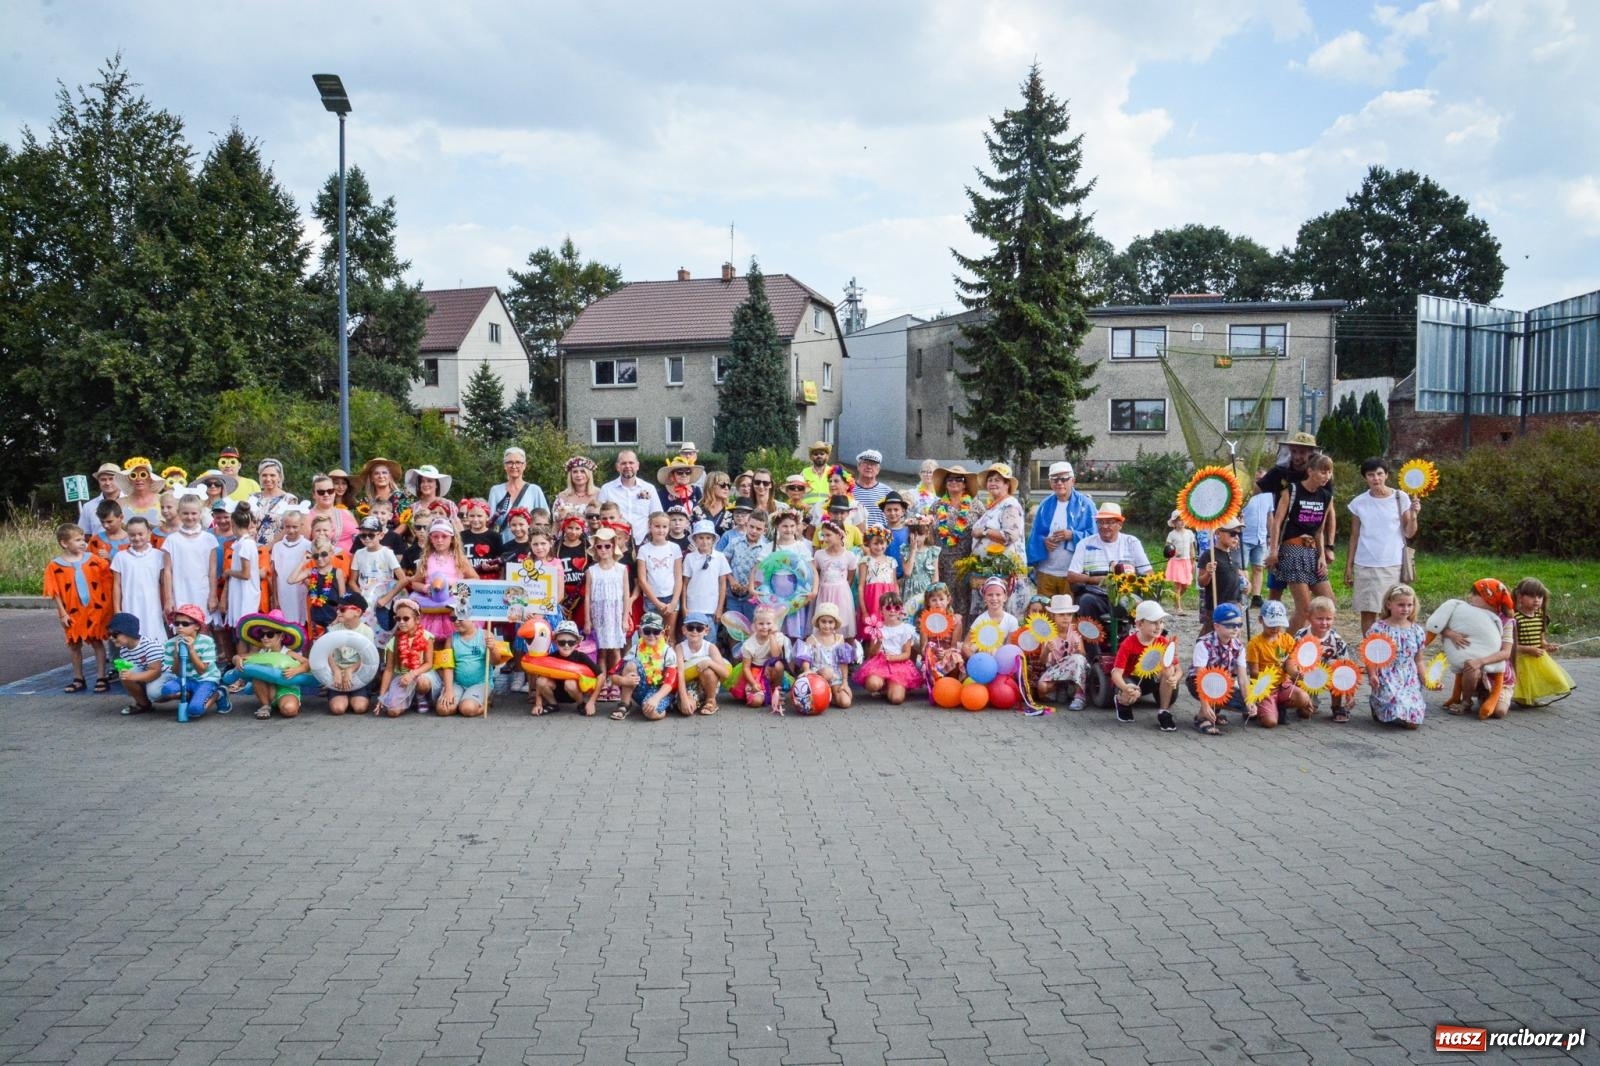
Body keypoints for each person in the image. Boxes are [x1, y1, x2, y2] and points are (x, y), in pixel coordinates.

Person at [1345, 458, 1420, 634]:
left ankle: (1391, 648)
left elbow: (1409, 532)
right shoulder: (1359, 502)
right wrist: (1348, 566)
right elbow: (1354, 536)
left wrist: (1415, 514)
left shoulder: (1400, 497)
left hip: (1392, 563)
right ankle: (1370, 651)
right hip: (1365, 564)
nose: (1376, 479)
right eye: (1371, 475)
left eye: (1379, 474)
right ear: (1365, 478)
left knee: (1391, 611)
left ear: (1386, 475)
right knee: (1368, 611)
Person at [1265, 453, 1336, 633]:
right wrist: (1273, 551)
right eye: (1323, 471)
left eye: (1329, 472)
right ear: (1310, 471)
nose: (1326, 476)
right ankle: (1287, 649)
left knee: (1329, 603)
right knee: (1305, 609)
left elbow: (1319, 530)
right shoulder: (1292, 490)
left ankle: (1312, 646)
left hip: (1313, 552)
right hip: (1292, 550)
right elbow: (1277, 521)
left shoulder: (1326, 496)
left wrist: (1321, 555)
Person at [1430, 578, 1515, 720]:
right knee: (1470, 665)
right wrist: (1451, 634)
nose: (1470, 597)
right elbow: (1440, 625)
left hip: (1495, 669)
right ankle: (1466, 701)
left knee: (1499, 712)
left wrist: (1481, 661)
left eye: (1475, 595)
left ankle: (1490, 694)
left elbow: (1506, 653)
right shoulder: (1468, 613)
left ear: (1489, 599)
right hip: (1473, 667)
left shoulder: (1506, 621)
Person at [44, 523, 113, 692]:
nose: (82, 542)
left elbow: (110, 574)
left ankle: (101, 676)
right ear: (64, 543)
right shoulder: (55, 566)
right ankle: (78, 678)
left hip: (93, 610)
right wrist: (62, 613)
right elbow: (55, 592)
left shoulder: (93, 560)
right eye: (77, 540)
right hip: (73, 612)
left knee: (97, 642)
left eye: (83, 539)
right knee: (74, 645)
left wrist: (109, 558)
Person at [1066, 502, 1152, 635]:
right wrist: (1096, 579)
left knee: (1139, 605)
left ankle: (1134, 642)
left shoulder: (1131, 542)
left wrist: (1132, 579)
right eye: (1101, 522)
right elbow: (1071, 575)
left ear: (1120, 524)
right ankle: (1092, 652)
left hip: (1126, 595)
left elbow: (1148, 572)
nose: (1104, 526)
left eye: (1110, 522)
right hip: (1097, 596)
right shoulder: (1085, 543)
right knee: (1085, 601)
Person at [1026, 462, 1097, 602]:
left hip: (1072, 574)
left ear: (1073, 481)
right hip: (1046, 571)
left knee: (1068, 615)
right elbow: (1036, 534)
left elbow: (1095, 536)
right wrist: (1044, 541)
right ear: (1050, 483)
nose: (1059, 483)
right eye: (1054, 479)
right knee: (1045, 615)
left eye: (1064, 479)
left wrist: (1072, 535)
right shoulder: (1045, 505)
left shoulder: (1086, 505)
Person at [1109, 600, 1179, 730]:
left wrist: (1175, 678)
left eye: (1161, 622)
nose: (1159, 627)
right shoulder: (1128, 644)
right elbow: (1116, 673)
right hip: (1131, 679)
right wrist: (1125, 687)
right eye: (1153, 623)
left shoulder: (1163, 642)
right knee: (1129, 691)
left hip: (1152, 680)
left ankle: (1164, 711)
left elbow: (1178, 668)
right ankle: (1121, 702)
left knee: (1169, 670)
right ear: (1140, 624)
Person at [1365, 583, 1427, 729]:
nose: (1406, 609)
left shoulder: (1416, 630)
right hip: (1386, 675)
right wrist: (1372, 675)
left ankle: (1405, 710)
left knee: (1413, 721)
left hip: (1408, 676)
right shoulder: (1378, 628)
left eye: (1409, 605)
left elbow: (1419, 660)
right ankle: (1377, 704)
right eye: (1401, 605)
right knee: (1396, 702)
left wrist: (1427, 680)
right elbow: (1370, 656)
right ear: (1389, 604)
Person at [1186, 602, 1249, 736]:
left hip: (1223, 683)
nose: (1235, 628)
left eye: (1238, 625)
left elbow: (1243, 678)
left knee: (1246, 704)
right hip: (1199, 682)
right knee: (1212, 683)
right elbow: (1200, 676)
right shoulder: (1204, 644)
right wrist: (1205, 705)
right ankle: (1202, 717)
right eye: (1230, 625)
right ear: (1217, 626)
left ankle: (1214, 711)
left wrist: (1249, 701)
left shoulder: (1239, 646)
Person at [1510, 577, 1575, 707]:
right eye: (1531, 596)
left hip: (1537, 656)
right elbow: (1510, 645)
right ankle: (1524, 699)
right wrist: (1528, 649)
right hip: (1521, 658)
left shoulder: (1541, 616)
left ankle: (1528, 699)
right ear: (1520, 597)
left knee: (1554, 678)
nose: (1536, 600)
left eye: (1540, 596)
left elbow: (1541, 639)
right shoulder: (1515, 619)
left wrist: (1547, 646)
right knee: (1524, 681)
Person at [1245, 600, 1311, 728]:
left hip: (1283, 684)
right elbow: (1253, 672)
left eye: (1278, 624)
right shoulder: (1254, 644)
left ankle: (1280, 706)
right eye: (1271, 624)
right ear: (1261, 620)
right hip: (1265, 687)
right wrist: (1269, 678)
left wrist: (1296, 673)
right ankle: (1258, 706)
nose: (1275, 628)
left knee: (1303, 698)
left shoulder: (1287, 639)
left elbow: (1290, 664)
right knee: (1270, 723)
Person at [231, 610, 307, 719]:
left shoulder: (288, 653)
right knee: (257, 675)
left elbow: (307, 663)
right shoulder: (262, 653)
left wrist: (297, 670)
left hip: (286, 688)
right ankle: (265, 705)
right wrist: (236, 659)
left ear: (281, 636)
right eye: (262, 634)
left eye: (270, 634)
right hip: (268, 691)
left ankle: (280, 703)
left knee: (289, 710)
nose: (265, 638)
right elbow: (239, 656)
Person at [585, 527, 633, 696]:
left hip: (615, 614)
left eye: (607, 546)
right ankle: (603, 682)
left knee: (616, 650)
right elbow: (587, 597)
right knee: (602, 651)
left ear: (614, 547)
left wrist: (625, 618)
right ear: (595, 549)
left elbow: (626, 596)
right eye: (599, 546)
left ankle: (616, 681)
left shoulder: (621, 569)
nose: (604, 550)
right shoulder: (592, 571)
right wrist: (587, 620)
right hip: (599, 615)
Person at [929, 464, 982, 617]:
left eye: (959, 479)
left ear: (965, 484)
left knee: (966, 599)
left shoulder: (976, 505)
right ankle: (946, 636)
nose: (954, 482)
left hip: (967, 562)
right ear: (945, 483)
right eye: (950, 479)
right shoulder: (936, 506)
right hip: (942, 562)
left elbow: (985, 528)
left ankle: (964, 635)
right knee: (943, 599)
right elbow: (928, 532)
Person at [410, 520, 474, 643]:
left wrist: (455, 586)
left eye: (444, 536)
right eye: (436, 536)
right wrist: (425, 588)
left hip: (452, 606)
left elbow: (474, 579)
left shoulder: (459, 559)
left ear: (452, 538)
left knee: (453, 640)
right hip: (431, 607)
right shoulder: (426, 559)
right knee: (430, 641)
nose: (440, 540)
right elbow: (415, 583)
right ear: (430, 539)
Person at [111, 517, 170, 647]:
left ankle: (157, 664)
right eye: (132, 535)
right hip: (130, 605)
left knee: (153, 634)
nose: (137, 538)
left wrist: (167, 603)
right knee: (132, 635)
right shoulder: (120, 557)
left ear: (148, 533)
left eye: (140, 534)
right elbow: (116, 585)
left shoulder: (158, 555)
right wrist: (117, 609)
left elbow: (164, 582)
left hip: (152, 605)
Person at [1294, 595, 1353, 722]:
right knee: (1306, 713)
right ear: (1309, 617)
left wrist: (1350, 694)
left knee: (1337, 666)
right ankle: (1308, 701)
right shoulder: (1301, 635)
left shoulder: (1337, 641)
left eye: (1328, 619)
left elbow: (1347, 668)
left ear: (1334, 618)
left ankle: (1337, 706)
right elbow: (1291, 660)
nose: (1324, 623)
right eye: (1319, 619)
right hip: (1306, 676)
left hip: (1328, 675)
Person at [613, 611, 680, 720]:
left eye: (656, 632)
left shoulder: (668, 652)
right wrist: (623, 681)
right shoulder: (635, 649)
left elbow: (670, 683)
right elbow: (613, 675)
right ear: (640, 631)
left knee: (650, 713)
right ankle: (624, 705)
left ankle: (664, 707)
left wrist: (656, 698)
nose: (651, 635)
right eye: (647, 631)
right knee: (631, 664)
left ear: (662, 633)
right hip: (642, 689)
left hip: (662, 691)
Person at [854, 594, 920, 704]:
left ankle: (891, 686)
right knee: (873, 684)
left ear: (900, 610)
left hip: (899, 664)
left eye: (896, 607)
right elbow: (872, 653)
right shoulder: (877, 628)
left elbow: (906, 654)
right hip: (880, 663)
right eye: (888, 607)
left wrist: (892, 658)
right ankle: (882, 685)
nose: (892, 611)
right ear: (881, 611)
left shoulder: (905, 629)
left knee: (896, 699)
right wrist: (879, 641)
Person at [376, 599, 438, 715]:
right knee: (392, 712)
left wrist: (412, 674)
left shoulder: (426, 637)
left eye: (406, 618)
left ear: (417, 619)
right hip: (402, 677)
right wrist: (381, 697)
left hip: (422, 673)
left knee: (422, 682)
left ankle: (420, 696)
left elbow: (429, 663)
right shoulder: (393, 642)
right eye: (398, 619)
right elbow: (389, 670)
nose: (401, 622)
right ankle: (409, 698)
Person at [164, 603, 226, 718]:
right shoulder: (170, 644)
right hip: (185, 678)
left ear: (197, 626)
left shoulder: (206, 641)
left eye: (185, 624)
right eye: (176, 623)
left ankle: (219, 694)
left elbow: (202, 670)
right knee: (167, 690)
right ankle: (194, 695)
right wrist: (176, 654)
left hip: (205, 679)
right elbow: (176, 672)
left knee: (195, 710)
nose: (180, 627)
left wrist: (191, 650)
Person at [323, 592, 376, 715]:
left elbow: (367, 657)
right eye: (337, 609)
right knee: (338, 709)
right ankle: (339, 695)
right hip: (338, 675)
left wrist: (350, 670)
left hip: (358, 674)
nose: (337, 612)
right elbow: (327, 653)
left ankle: (355, 695)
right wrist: (335, 670)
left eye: (342, 609)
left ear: (357, 612)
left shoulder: (366, 631)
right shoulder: (333, 629)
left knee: (359, 708)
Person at [534, 619, 600, 717]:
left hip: (574, 692)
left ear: (577, 643)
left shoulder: (581, 657)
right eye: (562, 642)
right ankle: (553, 704)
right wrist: (538, 704)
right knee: (541, 681)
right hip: (555, 691)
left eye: (571, 642)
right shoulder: (551, 657)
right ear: (555, 642)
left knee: (570, 683)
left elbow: (601, 675)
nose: (566, 646)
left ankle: (581, 704)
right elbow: (538, 680)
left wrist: (592, 701)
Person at [795, 602, 854, 709]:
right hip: (818, 674)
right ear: (818, 622)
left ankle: (831, 695)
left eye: (830, 622)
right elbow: (806, 657)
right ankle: (822, 694)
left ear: (835, 623)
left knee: (845, 702)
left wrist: (845, 682)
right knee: (827, 672)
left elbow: (843, 662)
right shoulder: (812, 639)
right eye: (824, 621)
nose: (827, 625)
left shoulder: (839, 639)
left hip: (836, 676)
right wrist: (807, 670)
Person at [109, 612, 168, 716]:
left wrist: (133, 676)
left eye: (114, 634)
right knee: (124, 674)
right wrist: (130, 676)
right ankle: (143, 704)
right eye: (109, 635)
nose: (111, 638)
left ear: (127, 632)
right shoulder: (124, 649)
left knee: (154, 693)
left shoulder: (150, 646)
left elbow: (156, 672)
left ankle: (185, 694)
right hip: (148, 673)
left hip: (166, 674)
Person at [637, 512, 684, 641]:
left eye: (664, 526)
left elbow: (678, 577)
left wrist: (674, 601)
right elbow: (642, 579)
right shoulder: (644, 550)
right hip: (652, 599)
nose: (661, 530)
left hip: (671, 597)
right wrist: (656, 603)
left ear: (668, 528)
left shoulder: (674, 548)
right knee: (652, 636)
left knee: (669, 635)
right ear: (650, 527)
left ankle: (670, 660)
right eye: (657, 526)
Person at [733, 607, 790, 713]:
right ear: (754, 626)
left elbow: (776, 655)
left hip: (771, 669)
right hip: (755, 672)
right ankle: (759, 694)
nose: (765, 627)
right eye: (761, 624)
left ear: (774, 625)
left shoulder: (778, 636)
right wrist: (753, 683)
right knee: (756, 702)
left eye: (769, 624)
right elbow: (746, 667)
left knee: (779, 664)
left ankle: (776, 690)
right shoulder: (749, 644)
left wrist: (772, 636)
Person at [436, 608, 491, 718]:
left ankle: (485, 703)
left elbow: (496, 661)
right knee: (443, 709)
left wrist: (493, 649)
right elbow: (448, 667)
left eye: (460, 618)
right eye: (453, 618)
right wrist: (449, 690)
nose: (456, 621)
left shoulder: (485, 635)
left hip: (479, 683)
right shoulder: (450, 640)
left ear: (472, 618)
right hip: (457, 683)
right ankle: (461, 701)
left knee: (467, 709)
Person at [1035, 594, 1086, 710]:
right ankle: (1060, 687)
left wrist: (1078, 650)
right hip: (1055, 669)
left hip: (1073, 669)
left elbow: (1083, 655)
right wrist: (1047, 650)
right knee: (1042, 687)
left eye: (1069, 614)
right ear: (1053, 616)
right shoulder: (1047, 632)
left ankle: (1080, 696)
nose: (1065, 618)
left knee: (1078, 658)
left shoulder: (1075, 631)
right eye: (1061, 614)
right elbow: (1042, 661)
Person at [1196, 517, 1245, 635]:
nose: (1236, 537)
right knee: (1209, 637)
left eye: (1238, 534)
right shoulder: (1209, 555)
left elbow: (1239, 580)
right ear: (1218, 533)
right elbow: (1201, 582)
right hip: (1216, 606)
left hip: (1234, 605)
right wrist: (1208, 573)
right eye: (1232, 533)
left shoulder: (1234, 557)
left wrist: (1247, 584)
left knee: (1232, 638)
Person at [598, 450, 658, 545]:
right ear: (617, 467)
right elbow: (600, 517)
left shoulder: (649, 488)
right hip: (616, 543)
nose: (627, 466)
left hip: (643, 543)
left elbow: (656, 516)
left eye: (631, 463)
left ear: (637, 465)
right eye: (623, 463)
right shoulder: (607, 489)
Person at [812, 520, 859, 640]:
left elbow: (850, 576)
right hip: (824, 592)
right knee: (824, 620)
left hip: (841, 594)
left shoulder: (849, 556)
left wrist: (841, 588)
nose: (825, 539)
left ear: (839, 535)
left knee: (841, 622)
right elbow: (815, 573)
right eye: (823, 535)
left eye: (828, 535)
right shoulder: (819, 555)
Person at [675, 613, 729, 715]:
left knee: (708, 671)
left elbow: (725, 673)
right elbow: (680, 673)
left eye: (699, 628)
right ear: (684, 630)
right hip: (689, 686)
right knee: (687, 710)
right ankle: (697, 701)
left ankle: (710, 700)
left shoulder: (710, 647)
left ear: (706, 631)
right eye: (690, 627)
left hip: (708, 684)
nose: (694, 631)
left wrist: (709, 663)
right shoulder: (680, 648)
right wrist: (684, 698)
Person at [487, 447, 548, 533]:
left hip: (528, 542)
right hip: (502, 542)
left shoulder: (534, 490)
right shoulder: (496, 491)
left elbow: (544, 518)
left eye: (518, 462)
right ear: (505, 465)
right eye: (510, 462)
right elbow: (490, 520)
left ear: (524, 465)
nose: (514, 466)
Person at [269, 509, 312, 625]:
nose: (291, 530)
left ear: (301, 525)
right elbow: (274, 574)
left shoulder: (308, 546)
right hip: (283, 594)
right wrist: (275, 597)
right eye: (287, 527)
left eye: (295, 527)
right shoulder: (277, 547)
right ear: (283, 526)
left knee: (302, 625)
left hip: (301, 594)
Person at [248, 459, 299, 544]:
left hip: (279, 548)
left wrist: (269, 547)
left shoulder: (289, 499)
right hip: (254, 548)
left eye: (272, 475)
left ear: (279, 477)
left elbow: (290, 527)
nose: (268, 479)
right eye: (264, 475)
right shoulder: (253, 497)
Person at [963, 577, 1020, 655]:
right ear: (984, 598)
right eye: (990, 595)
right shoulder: (981, 620)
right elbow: (966, 645)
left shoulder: (1011, 620)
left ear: (1005, 597)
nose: (994, 598)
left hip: (1002, 658)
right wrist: (975, 659)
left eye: (998, 594)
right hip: (984, 659)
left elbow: (1009, 648)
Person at [898, 515, 941, 615]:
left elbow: (935, 577)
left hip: (926, 590)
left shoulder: (932, 551)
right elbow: (907, 572)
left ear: (926, 534)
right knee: (909, 617)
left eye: (920, 534)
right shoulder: (905, 550)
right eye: (913, 534)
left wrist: (933, 595)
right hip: (909, 590)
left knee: (925, 617)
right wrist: (913, 551)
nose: (916, 538)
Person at [857, 528, 899, 628]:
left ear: (887, 543)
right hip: (872, 599)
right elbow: (861, 586)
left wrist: (898, 604)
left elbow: (895, 583)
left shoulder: (891, 561)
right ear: (869, 544)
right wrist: (864, 611)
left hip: (889, 599)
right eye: (875, 544)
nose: (879, 547)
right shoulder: (865, 561)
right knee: (873, 628)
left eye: (882, 543)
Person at [307, 474, 358, 554]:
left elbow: (360, 537)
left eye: (330, 491)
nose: (326, 494)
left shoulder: (346, 512)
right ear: (314, 495)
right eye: (321, 492)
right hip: (327, 563)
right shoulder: (308, 517)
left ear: (334, 492)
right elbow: (303, 547)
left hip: (354, 562)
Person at [355, 457, 412, 530]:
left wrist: (389, 538)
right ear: (371, 478)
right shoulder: (364, 502)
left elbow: (405, 523)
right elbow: (360, 524)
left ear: (390, 476)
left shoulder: (400, 497)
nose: (381, 476)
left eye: (384, 473)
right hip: (371, 538)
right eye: (376, 473)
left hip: (396, 538)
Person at [1239, 487, 1273, 607]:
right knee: (1241, 568)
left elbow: (1269, 516)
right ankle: (1242, 594)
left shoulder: (1268, 495)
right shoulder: (1245, 492)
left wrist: (1270, 535)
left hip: (1261, 537)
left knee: (1258, 567)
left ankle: (1256, 596)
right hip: (1244, 536)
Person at [458, 499, 503, 580]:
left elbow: (500, 563)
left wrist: (492, 567)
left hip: (489, 581)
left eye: (479, 516)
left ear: (487, 517)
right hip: (467, 579)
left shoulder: (495, 537)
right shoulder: (461, 536)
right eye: (472, 516)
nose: (475, 519)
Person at [78, 463, 124, 538]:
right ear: (98, 481)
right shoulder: (88, 507)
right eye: (103, 479)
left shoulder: (133, 502)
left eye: (111, 479)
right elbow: (84, 535)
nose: (107, 483)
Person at [1163, 512, 1197, 614]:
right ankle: (1178, 607)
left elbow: (1191, 548)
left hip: (1186, 561)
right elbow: (1167, 548)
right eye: (1179, 520)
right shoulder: (1172, 534)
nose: (1182, 522)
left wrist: (1193, 560)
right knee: (1177, 585)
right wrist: (1173, 553)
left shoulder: (1189, 533)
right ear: (1174, 522)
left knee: (1186, 585)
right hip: (1176, 562)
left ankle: (1176, 599)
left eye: (1184, 519)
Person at [553, 456, 600, 523]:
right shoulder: (562, 496)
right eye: (575, 472)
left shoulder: (599, 494)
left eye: (582, 471)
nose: (578, 475)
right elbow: (556, 523)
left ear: (589, 474)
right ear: (570, 475)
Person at [851, 450, 892, 528]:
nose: (869, 467)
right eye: (865, 463)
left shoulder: (887, 492)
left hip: (881, 538)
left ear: (878, 470)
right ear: (858, 466)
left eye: (873, 464)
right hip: (856, 538)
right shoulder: (849, 489)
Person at [695, 471, 736, 536]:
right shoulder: (697, 510)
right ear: (711, 486)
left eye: (728, 485)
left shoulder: (732, 511)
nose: (726, 488)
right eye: (722, 485)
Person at [800, 442, 832, 509]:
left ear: (827, 456)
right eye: (816, 454)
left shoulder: (833, 472)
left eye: (822, 454)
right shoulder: (804, 472)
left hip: (828, 510)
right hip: (808, 509)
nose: (819, 456)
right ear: (811, 457)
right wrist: (803, 505)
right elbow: (798, 492)